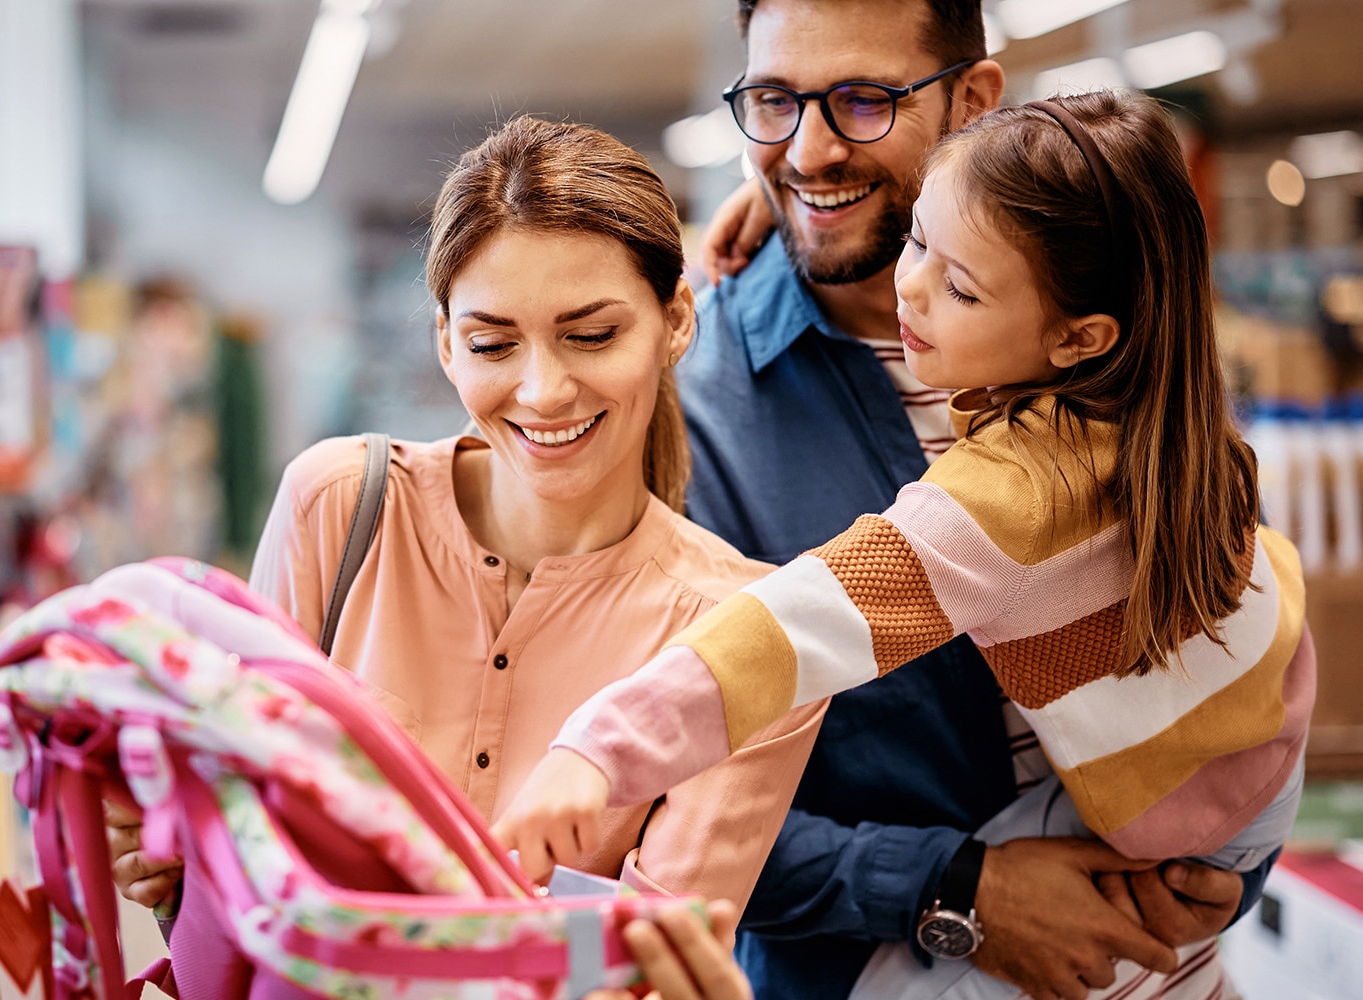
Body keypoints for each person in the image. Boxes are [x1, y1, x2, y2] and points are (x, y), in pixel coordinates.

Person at [495, 88, 1315, 1000]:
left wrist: (597, 751)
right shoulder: (1170, 412)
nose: (909, 287)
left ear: (1080, 335)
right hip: (1260, 741)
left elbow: (790, 627)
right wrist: (770, 205)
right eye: (917, 238)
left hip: (1187, 817)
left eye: (960, 285)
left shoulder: (1012, 497)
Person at [106, 115, 825, 999]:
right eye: (492, 343)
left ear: (676, 321)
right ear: (446, 341)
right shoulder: (339, 508)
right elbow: (238, 860)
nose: (542, 389)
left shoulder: (743, 638)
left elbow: (644, 975)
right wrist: (175, 858)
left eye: (592, 334)